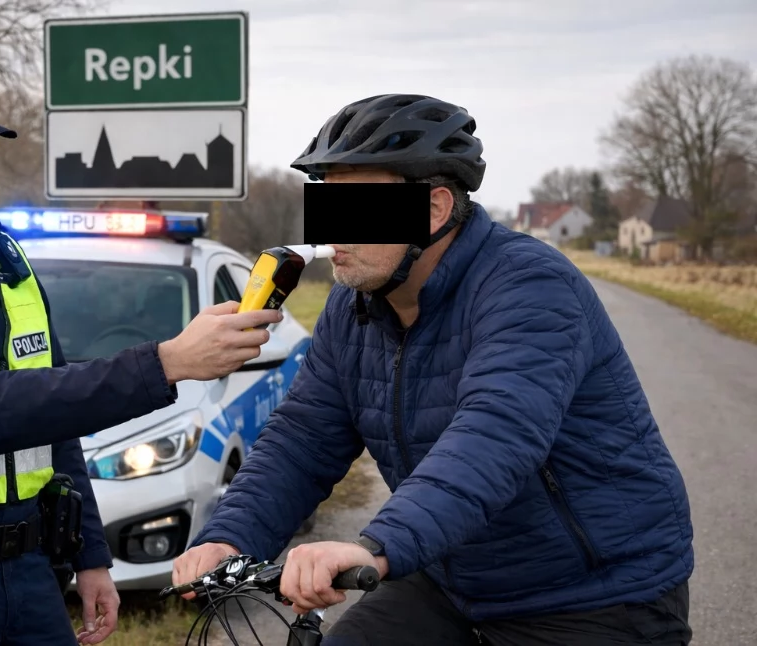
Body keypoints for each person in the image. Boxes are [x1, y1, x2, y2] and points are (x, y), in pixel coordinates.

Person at [172, 94, 695, 645]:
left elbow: (495, 436)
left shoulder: (530, 287)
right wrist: (230, 538)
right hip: (452, 581)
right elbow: (304, 437)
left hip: (594, 594)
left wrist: (375, 545)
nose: (334, 234)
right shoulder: (351, 308)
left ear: (435, 209)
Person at [0, 72, 282, 646]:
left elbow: (55, 409)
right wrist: (165, 362)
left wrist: (89, 553)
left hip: (32, 570)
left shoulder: (1, 255)